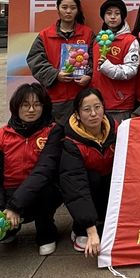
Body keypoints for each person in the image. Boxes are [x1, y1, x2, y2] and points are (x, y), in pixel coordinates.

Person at [0, 83, 62, 255]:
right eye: (25, 105)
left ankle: (46, 234)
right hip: (7, 193)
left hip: (40, 192)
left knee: (47, 189)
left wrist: (14, 207)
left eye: (37, 104)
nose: (31, 110)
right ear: (16, 107)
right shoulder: (1, 136)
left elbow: (44, 171)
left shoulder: (53, 132)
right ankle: (9, 230)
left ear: (44, 107)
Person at [59, 88, 117, 257]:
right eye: (86, 109)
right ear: (77, 114)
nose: (93, 114)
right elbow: (75, 187)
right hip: (86, 188)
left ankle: (106, 221)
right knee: (93, 177)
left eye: (97, 107)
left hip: (108, 185)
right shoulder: (70, 143)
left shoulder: (116, 129)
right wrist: (90, 230)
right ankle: (81, 228)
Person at [27, 0, 93, 124]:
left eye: (73, 8)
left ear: (78, 10)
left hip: (81, 98)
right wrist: (55, 75)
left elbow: (95, 59)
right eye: (64, 7)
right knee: (55, 133)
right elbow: (35, 61)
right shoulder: (45, 35)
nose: (68, 11)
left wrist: (89, 75)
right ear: (58, 9)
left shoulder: (87, 33)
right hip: (54, 98)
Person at [92, 0, 140, 122]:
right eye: (109, 13)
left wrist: (107, 67)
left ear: (122, 16)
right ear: (103, 17)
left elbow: (131, 70)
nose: (113, 17)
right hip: (97, 104)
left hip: (120, 105)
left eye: (117, 13)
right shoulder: (97, 40)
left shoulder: (130, 41)